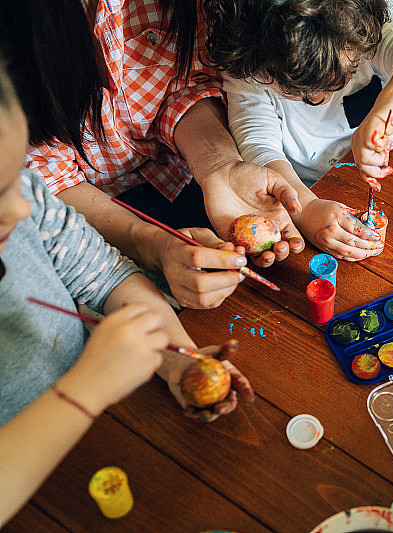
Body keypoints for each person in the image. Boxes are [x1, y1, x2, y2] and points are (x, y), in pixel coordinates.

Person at [0, 58, 255, 526]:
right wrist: (84, 391)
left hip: (106, 422)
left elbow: (103, 276)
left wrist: (177, 357)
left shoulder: (22, 196)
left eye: (19, 177)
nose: (22, 206)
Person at [0, 0, 305, 309]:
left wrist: (218, 165)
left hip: (185, 171)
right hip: (88, 224)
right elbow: (44, 178)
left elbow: (186, 84)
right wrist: (154, 246)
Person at [202, 0, 393, 260]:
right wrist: (306, 207)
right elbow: (259, 146)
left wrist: (390, 110)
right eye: (295, 88)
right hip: (300, 189)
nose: (319, 97)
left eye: (343, 74)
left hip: (379, 186)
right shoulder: (250, 68)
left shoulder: (360, 35)